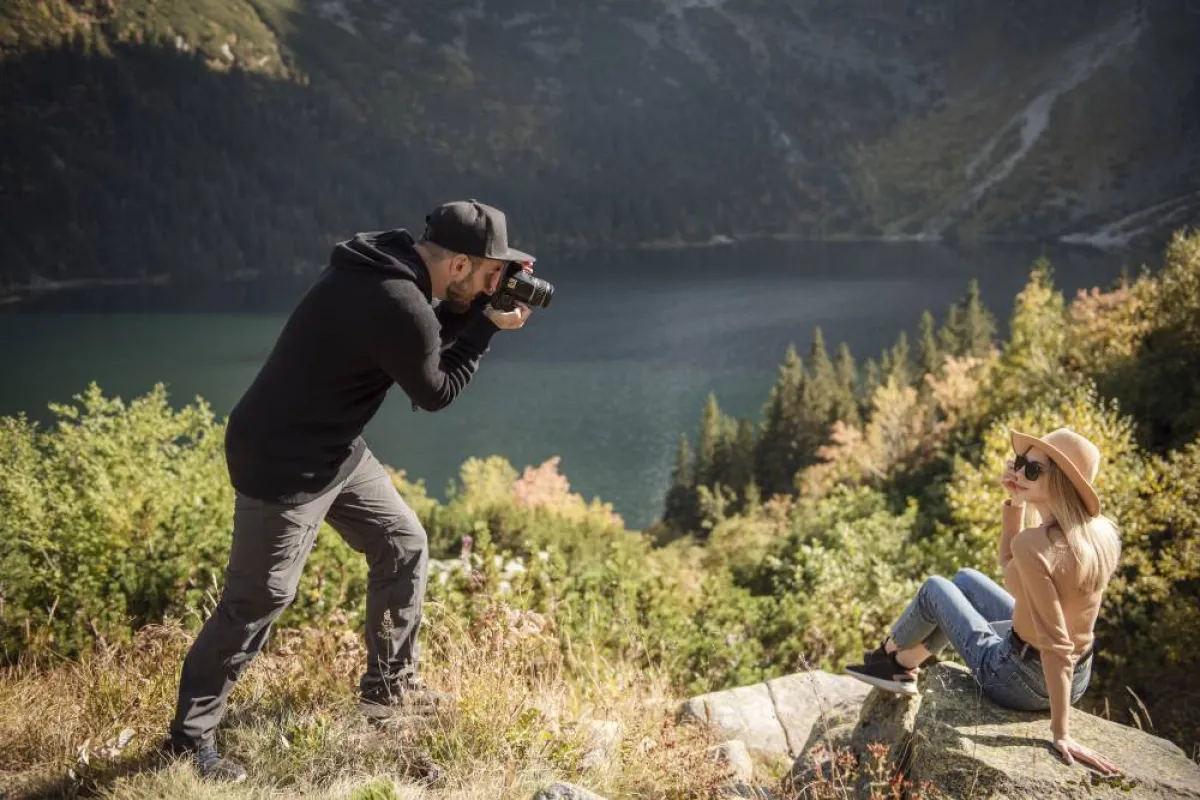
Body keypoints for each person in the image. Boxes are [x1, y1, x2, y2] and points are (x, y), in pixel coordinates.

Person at [164, 199, 536, 782]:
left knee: (403, 543)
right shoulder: (397, 301)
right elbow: (434, 388)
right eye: (491, 271)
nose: (499, 281)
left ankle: (389, 690)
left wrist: (480, 302)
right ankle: (188, 741)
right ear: (458, 266)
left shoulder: (383, 262)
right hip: (282, 461)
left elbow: (426, 335)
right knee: (257, 599)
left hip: (334, 448)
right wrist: (486, 326)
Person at [844, 427, 1122, 776]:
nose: (1018, 472)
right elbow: (1015, 576)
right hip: (1077, 677)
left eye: (1032, 470)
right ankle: (905, 661)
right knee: (965, 579)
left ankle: (888, 658)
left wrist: (1061, 732)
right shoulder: (1099, 537)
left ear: (1061, 483)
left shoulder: (1035, 544)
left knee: (934, 588)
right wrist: (1017, 502)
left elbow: (1055, 644)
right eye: (1020, 463)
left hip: (1015, 678)